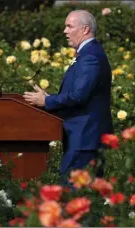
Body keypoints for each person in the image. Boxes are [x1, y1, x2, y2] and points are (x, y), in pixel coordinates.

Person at [23, 10, 113, 186]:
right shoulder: (88, 53)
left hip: (85, 139)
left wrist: (47, 101)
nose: (65, 31)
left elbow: (79, 96)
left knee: (72, 197)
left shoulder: (90, 57)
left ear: (85, 29)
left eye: (69, 26)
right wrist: (49, 98)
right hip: (83, 138)